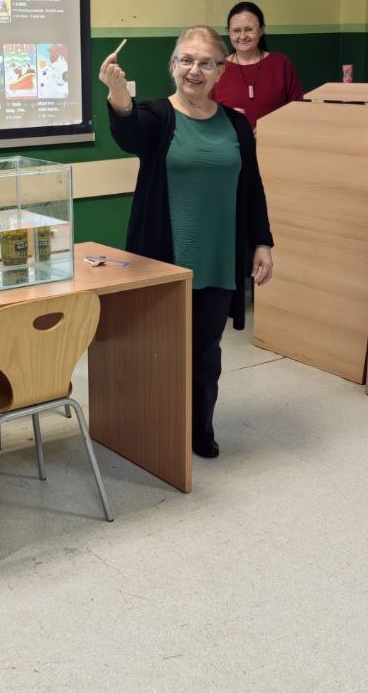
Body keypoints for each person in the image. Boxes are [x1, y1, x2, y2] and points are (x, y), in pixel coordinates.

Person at [101, 26, 273, 459]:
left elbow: (252, 187)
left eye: (206, 63)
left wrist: (262, 242)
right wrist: (118, 95)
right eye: (186, 60)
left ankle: (200, 429)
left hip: (217, 260)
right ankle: (150, 426)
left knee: (204, 352)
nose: (194, 70)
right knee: (156, 349)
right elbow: (129, 133)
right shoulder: (158, 117)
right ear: (173, 65)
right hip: (163, 258)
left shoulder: (236, 124)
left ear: (221, 70)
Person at [212, 0, 304, 130]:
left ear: (261, 30)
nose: (242, 36)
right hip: (231, 142)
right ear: (229, 32)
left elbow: (298, 107)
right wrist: (225, 119)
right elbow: (205, 114)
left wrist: (274, 126)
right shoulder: (217, 69)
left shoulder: (281, 63)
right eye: (236, 30)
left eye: (249, 29)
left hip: (276, 140)